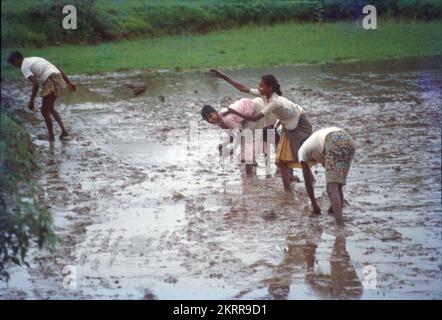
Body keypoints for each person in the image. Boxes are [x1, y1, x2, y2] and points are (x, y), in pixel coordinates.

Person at [209, 69, 313, 191]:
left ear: (270, 88)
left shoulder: (275, 102)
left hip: (299, 125)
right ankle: (288, 190)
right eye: (259, 85)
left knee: (296, 155)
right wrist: (224, 77)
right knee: (282, 159)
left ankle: (310, 180)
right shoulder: (265, 95)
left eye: (261, 86)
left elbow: (254, 118)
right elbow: (242, 88)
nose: (259, 88)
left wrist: (233, 111)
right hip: (288, 124)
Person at [7, 51, 76, 142]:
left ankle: (51, 137)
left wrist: (31, 101)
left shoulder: (24, 66)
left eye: (14, 64)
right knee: (50, 107)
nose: (15, 67)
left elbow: (35, 84)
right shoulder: (34, 59)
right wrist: (68, 82)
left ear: (17, 60)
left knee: (44, 110)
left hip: (51, 79)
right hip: (57, 77)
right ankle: (64, 131)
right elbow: (56, 68)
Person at [201, 97, 277, 174]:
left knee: (249, 141)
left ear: (215, 112)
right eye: (207, 119)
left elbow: (239, 135)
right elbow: (232, 136)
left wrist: (232, 149)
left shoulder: (226, 119)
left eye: (210, 116)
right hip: (250, 108)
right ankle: (253, 164)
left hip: (255, 110)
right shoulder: (219, 121)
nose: (210, 120)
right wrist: (224, 145)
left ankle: (256, 167)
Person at [297, 127, 356, 226]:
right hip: (348, 139)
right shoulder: (316, 144)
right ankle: (337, 212)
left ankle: (340, 225)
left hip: (332, 141)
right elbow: (334, 176)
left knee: (331, 188)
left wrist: (315, 206)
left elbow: (308, 182)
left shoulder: (302, 151)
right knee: (337, 184)